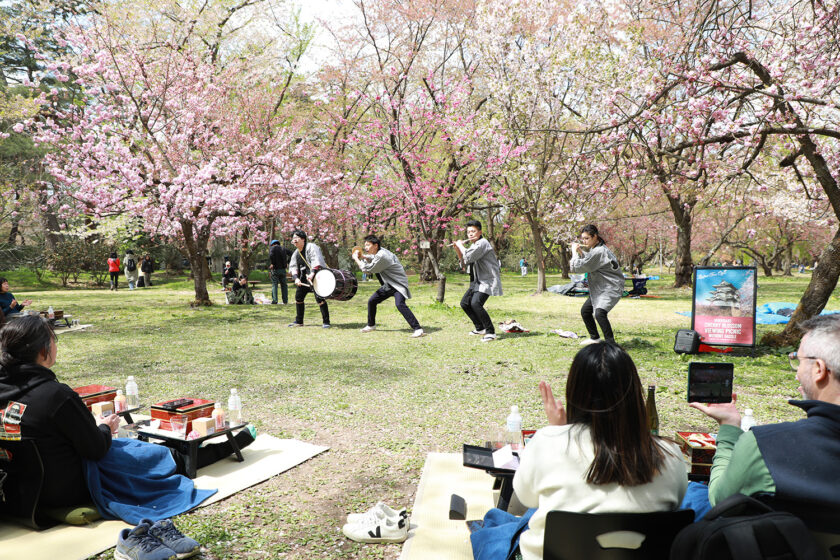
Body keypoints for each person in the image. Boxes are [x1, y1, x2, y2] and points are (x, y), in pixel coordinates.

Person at [0, 315, 254, 522]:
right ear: (43, 350)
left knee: (134, 448)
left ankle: (185, 446)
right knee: (148, 457)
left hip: (20, 489)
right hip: (67, 488)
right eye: (53, 340)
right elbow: (96, 449)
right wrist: (104, 427)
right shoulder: (55, 395)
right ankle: (222, 448)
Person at [478, 343, 687, 560]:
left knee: (492, 528)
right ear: (634, 393)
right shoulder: (670, 453)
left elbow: (526, 497)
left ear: (575, 392)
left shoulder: (548, 442)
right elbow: (677, 502)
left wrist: (557, 431)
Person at [690, 314, 840, 509]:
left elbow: (720, 500)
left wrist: (728, 427)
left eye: (798, 361)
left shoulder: (766, 446)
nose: (796, 374)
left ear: (818, 369)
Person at [352, 235, 424, 338]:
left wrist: (356, 259)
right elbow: (373, 258)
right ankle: (371, 325)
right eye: (365, 245)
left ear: (375, 245)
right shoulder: (380, 252)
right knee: (372, 301)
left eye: (368, 245)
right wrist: (363, 256)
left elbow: (367, 270)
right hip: (389, 284)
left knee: (400, 304)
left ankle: (418, 329)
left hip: (398, 284)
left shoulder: (382, 256)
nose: (366, 247)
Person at [570, 224, 624, 344]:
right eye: (583, 239)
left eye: (587, 238)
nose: (584, 241)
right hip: (601, 288)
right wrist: (580, 252)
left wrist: (574, 253)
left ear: (595, 236)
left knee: (599, 313)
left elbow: (579, 267)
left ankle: (611, 344)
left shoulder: (599, 251)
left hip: (610, 287)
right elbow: (590, 261)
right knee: (585, 311)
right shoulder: (598, 249)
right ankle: (595, 338)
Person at [454, 220, 502, 343]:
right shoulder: (474, 245)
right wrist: (458, 249)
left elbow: (469, 256)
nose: (470, 234)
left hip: (488, 280)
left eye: (473, 231)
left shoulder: (483, 243)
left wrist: (461, 246)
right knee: (465, 303)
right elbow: (465, 262)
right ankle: (480, 328)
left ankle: (490, 332)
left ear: (480, 232)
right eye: (468, 232)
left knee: (476, 303)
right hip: (477, 280)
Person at [288, 230, 331, 328]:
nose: (294, 240)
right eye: (293, 238)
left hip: (316, 277)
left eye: (296, 238)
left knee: (320, 299)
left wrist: (312, 274)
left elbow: (316, 261)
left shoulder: (311, 247)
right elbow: (293, 267)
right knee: (298, 297)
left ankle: (326, 322)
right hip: (304, 279)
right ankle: (299, 321)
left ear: (303, 239)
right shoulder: (296, 253)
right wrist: (296, 278)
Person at [268, 239, 289, 305]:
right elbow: (292, 253)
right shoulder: (283, 248)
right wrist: (287, 262)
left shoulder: (272, 248)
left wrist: (272, 263)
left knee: (274, 284)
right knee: (284, 285)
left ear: (273, 244)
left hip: (275, 269)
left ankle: (275, 300)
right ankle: (285, 301)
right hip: (283, 270)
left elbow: (271, 255)